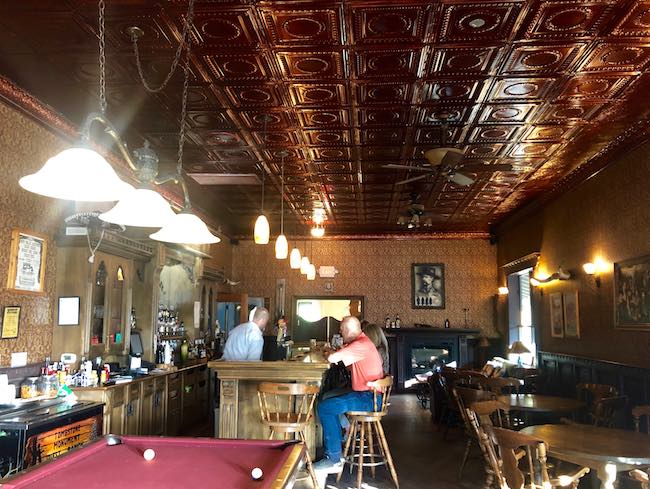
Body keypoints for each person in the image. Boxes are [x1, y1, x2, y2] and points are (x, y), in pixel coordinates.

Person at [313, 316, 384, 473]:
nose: (340, 332)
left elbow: (332, 358)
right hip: (368, 395)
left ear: (349, 330)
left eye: (342, 329)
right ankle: (338, 442)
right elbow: (340, 357)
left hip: (368, 399)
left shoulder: (360, 344)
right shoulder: (362, 342)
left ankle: (333, 459)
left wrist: (330, 352)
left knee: (325, 408)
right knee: (325, 399)